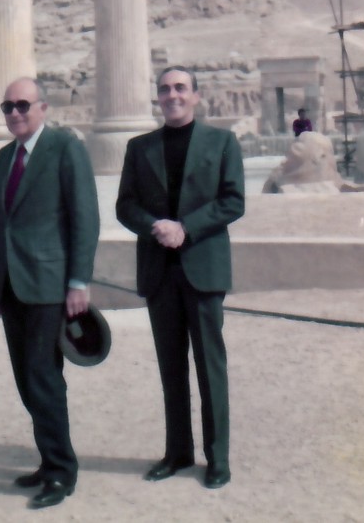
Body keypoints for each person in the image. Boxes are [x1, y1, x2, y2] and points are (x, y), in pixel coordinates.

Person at [116, 65, 244, 489]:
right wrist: (156, 226)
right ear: (158, 96)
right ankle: (178, 452)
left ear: (195, 95)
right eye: (165, 89)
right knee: (171, 368)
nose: (173, 95)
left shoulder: (222, 142)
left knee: (210, 367)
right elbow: (125, 205)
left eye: (181, 88)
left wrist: (185, 227)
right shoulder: (140, 147)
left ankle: (218, 457)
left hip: (203, 267)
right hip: (159, 270)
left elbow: (233, 201)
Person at [0, 77, 99, 510]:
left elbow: (85, 217)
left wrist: (79, 282)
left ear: (43, 108)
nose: (15, 113)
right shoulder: (5, 157)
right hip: (13, 285)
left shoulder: (65, 148)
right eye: (8, 107)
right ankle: (48, 458)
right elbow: (2, 225)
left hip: (50, 284)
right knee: (25, 377)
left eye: (23, 105)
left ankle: (60, 472)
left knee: (43, 376)